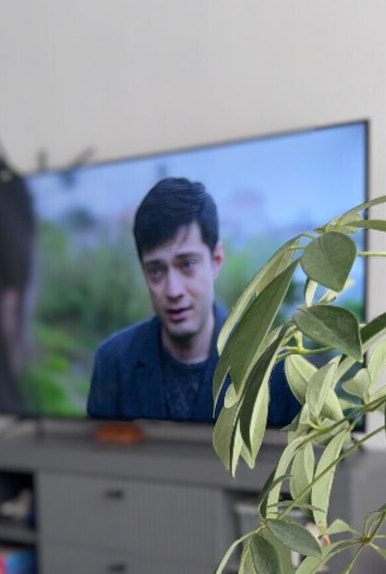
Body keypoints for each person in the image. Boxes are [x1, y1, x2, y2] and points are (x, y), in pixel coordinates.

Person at [86, 178, 301, 426]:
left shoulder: (274, 370)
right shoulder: (113, 362)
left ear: (216, 261)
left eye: (187, 264)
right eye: (156, 270)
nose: (173, 290)